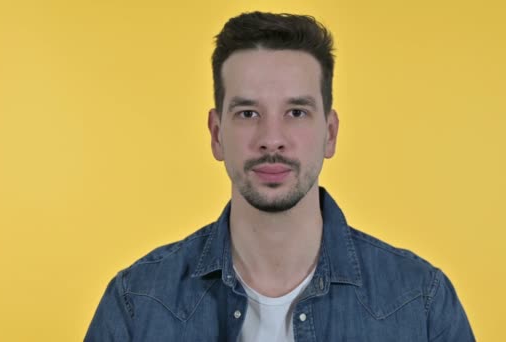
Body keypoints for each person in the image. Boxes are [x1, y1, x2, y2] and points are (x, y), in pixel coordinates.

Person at [85, 11, 475, 341]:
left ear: (331, 133)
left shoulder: (421, 303)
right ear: (217, 135)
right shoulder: (137, 304)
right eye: (248, 113)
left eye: (296, 112)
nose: (272, 139)